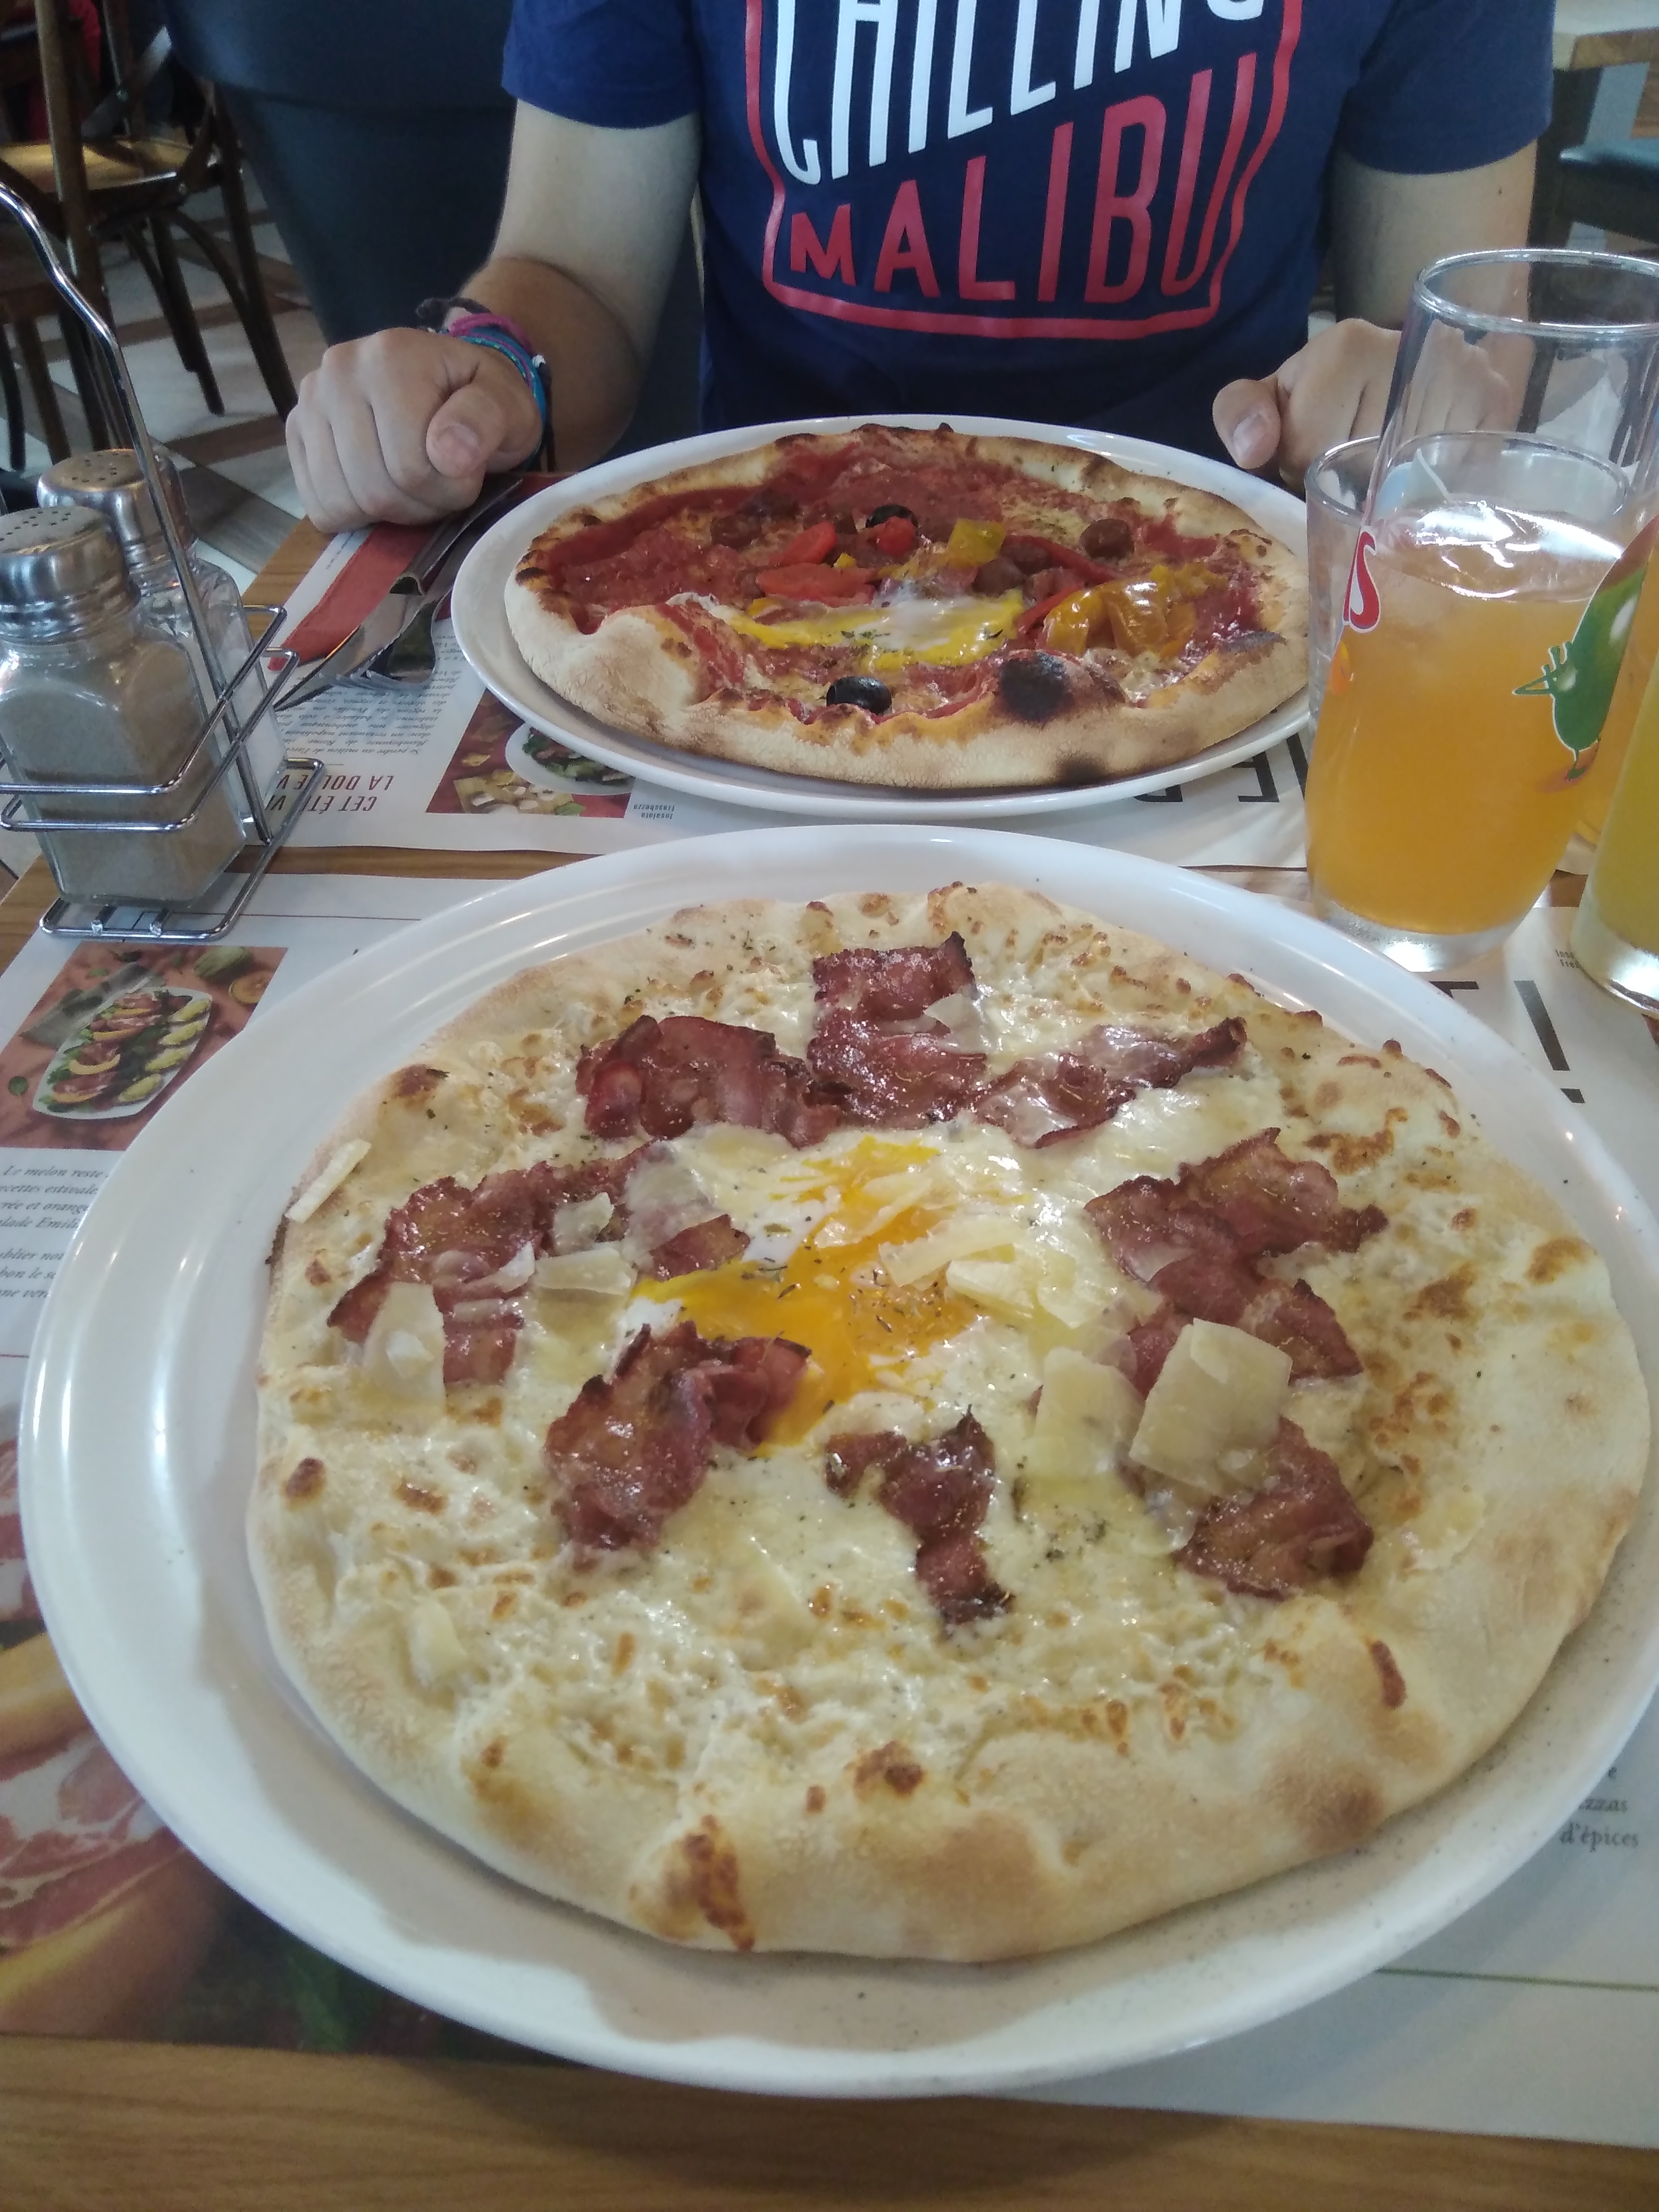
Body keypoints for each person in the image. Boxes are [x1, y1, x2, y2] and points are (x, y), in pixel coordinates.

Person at [287, 0, 1552, 531]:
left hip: (1212, 571)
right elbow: (574, 276)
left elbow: (1466, 343)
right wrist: (492, 372)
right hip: (764, 568)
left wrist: (1408, 392)